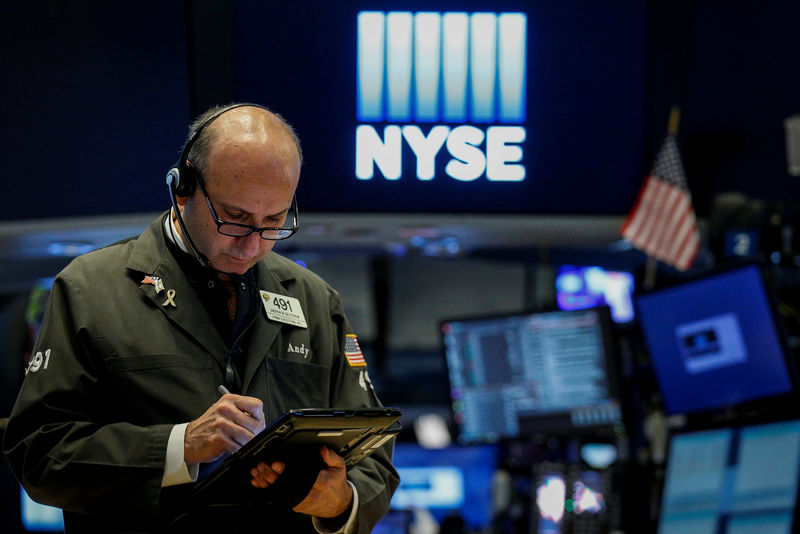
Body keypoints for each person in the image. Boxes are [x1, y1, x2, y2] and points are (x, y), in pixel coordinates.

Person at [3, 103, 399, 533]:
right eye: (235, 218)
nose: (251, 246)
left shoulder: (316, 301)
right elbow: (39, 454)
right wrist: (180, 446)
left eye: (274, 221)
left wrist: (340, 501)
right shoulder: (89, 289)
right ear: (182, 186)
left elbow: (373, 452)